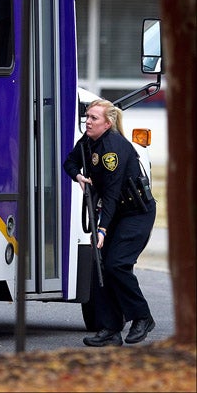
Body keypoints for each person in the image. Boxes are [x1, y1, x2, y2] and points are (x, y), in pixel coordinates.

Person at [63, 99, 156, 347]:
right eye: (87, 116)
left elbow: (113, 194)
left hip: (135, 213)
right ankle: (111, 330)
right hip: (116, 213)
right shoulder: (88, 141)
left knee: (117, 264)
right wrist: (79, 176)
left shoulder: (113, 149)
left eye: (93, 118)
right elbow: (69, 162)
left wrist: (102, 229)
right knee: (101, 266)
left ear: (108, 123)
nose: (88, 121)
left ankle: (142, 317)